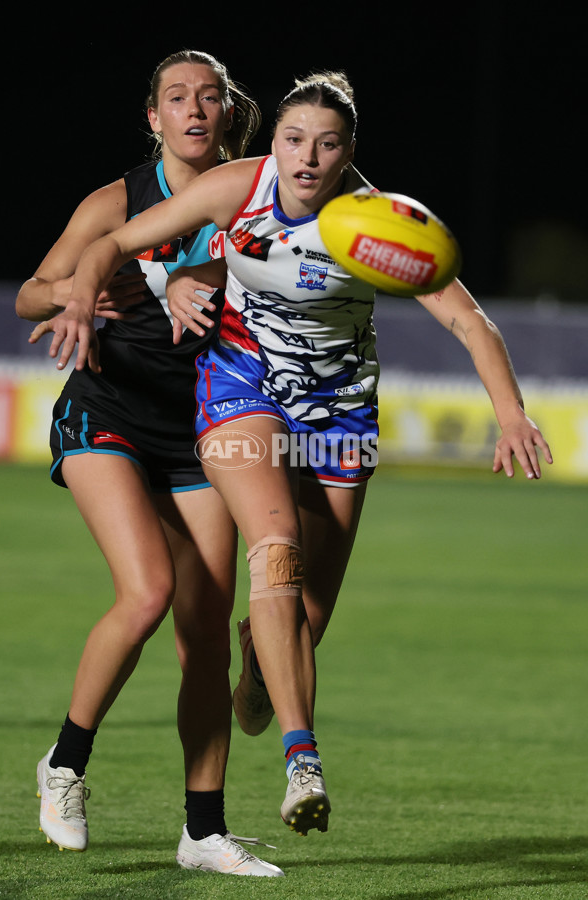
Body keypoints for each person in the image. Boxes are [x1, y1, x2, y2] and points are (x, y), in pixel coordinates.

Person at [44, 70, 553, 840]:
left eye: (327, 144)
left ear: (349, 153)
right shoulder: (236, 185)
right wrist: (81, 294)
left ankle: (263, 666)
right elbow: (116, 240)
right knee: (274, 553)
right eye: (292, 140)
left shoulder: (375, 222)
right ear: (272, 141)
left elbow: (470, 320)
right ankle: (302, 761)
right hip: (241, 387)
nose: (306, 158)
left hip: (339, 412)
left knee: (308, 613)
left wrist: (510, 414)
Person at [16, 49, 286, 877]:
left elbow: (251, 274)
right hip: (109, 411)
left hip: (199, 428)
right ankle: (64, 765)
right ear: (154, 117)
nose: (195, 110)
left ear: (229, 115)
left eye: (210, 98)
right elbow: (32, 291)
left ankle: (203, 832)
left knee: (204, 634)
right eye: (178, 98)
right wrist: (75, 297)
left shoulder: (257, 198)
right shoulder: (118, 200)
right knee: (149, 591)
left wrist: (185, 277)